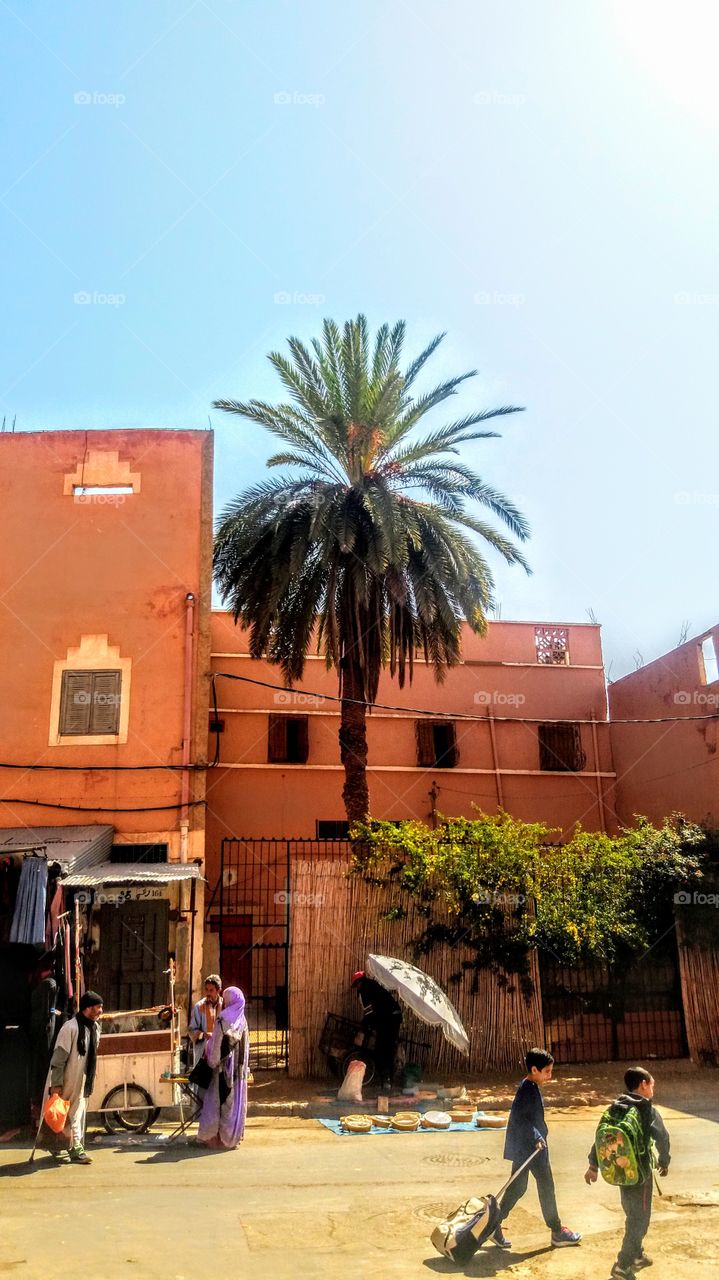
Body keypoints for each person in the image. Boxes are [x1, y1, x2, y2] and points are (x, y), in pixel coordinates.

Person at [585, 1066, 670, 1279]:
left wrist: (593, 1166)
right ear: (643, 1084)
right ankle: (622, 1265)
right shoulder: (646, 1110)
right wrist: (664, 1160)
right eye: (651, 1085)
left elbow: (601, 1138)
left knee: (632, 1214)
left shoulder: (616, 1107)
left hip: (621, 1172)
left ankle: (637, 1255)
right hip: (640, 1175)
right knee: (639, 1219)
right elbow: (663, 1138)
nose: (652, 1090)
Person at [493, 1047, 581, 1250]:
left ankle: (493, 1225)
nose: (550, 1076)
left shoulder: (529, 1087)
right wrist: (537, 1137)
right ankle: (557, 1231)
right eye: (547, 1071)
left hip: (527, 1148)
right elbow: (522, 1120)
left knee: (517, 1188)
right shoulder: (527, 1090)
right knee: (545, 1187)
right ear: (534, 1069)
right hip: (533, 1149)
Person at [46, 991, 103, 1165]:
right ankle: (75, 1149)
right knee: (66, 1113)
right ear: (88, 1008)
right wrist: (56, 1084)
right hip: (66, 1079)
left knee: (75, 1113)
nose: (101, 1010)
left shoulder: (95, 1028)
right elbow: (58, 1059)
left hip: (83, 1079)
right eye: (98, 1006)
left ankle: (64, 1145)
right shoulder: (70, 1028)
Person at [197, 986, 249, 1150]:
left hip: (221, 1071)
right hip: (238, 1073)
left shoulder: (223, 1019)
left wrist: (211, 1063)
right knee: (233, 1106)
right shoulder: (242, 1021)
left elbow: (216, 1046)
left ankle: (213, 1139)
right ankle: (231, 1139)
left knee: (216, 1103)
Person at [351, 970, 402, 1090]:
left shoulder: (364, 991)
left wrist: (365, 1024)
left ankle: (386, 1079)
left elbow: (369, 1013)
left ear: (359, 982)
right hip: (395, 1016)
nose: (356, 987)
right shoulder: (375, 986)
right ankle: (388, 1078)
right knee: (389, 1047)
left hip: (388, 1019)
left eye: (356, 985)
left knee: (382, 1048)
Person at [188, 974, 223, 1067]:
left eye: (211, 990)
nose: (208, 993)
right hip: (203, 1051)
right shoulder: (199, 1007)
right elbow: (191, 1030)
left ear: (218, 990)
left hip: (220, 1051)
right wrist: (203, 1034)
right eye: (206, 990)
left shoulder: (224, 1006)